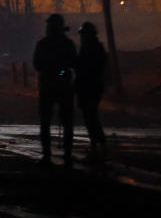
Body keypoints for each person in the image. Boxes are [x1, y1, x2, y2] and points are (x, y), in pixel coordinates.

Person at [33, 13, 78, 166]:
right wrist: (61, 72)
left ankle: (48, 154)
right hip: (62, 85)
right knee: (65, 121)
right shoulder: (67, 44)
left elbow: (37, 64)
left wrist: (51, 71)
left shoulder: (43, 44)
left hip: (49, 85)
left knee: (47, 121)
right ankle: (66, 153)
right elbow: (73, 63)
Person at [75, 21, 107, 161]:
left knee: (90, 115)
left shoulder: (92, 48)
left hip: (91, 86)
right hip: (88, 86)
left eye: (84, 34)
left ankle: (98, 140)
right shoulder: (89, 47)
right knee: (89, 115)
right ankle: (97, 140)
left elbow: (91, 68)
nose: (82, 37)